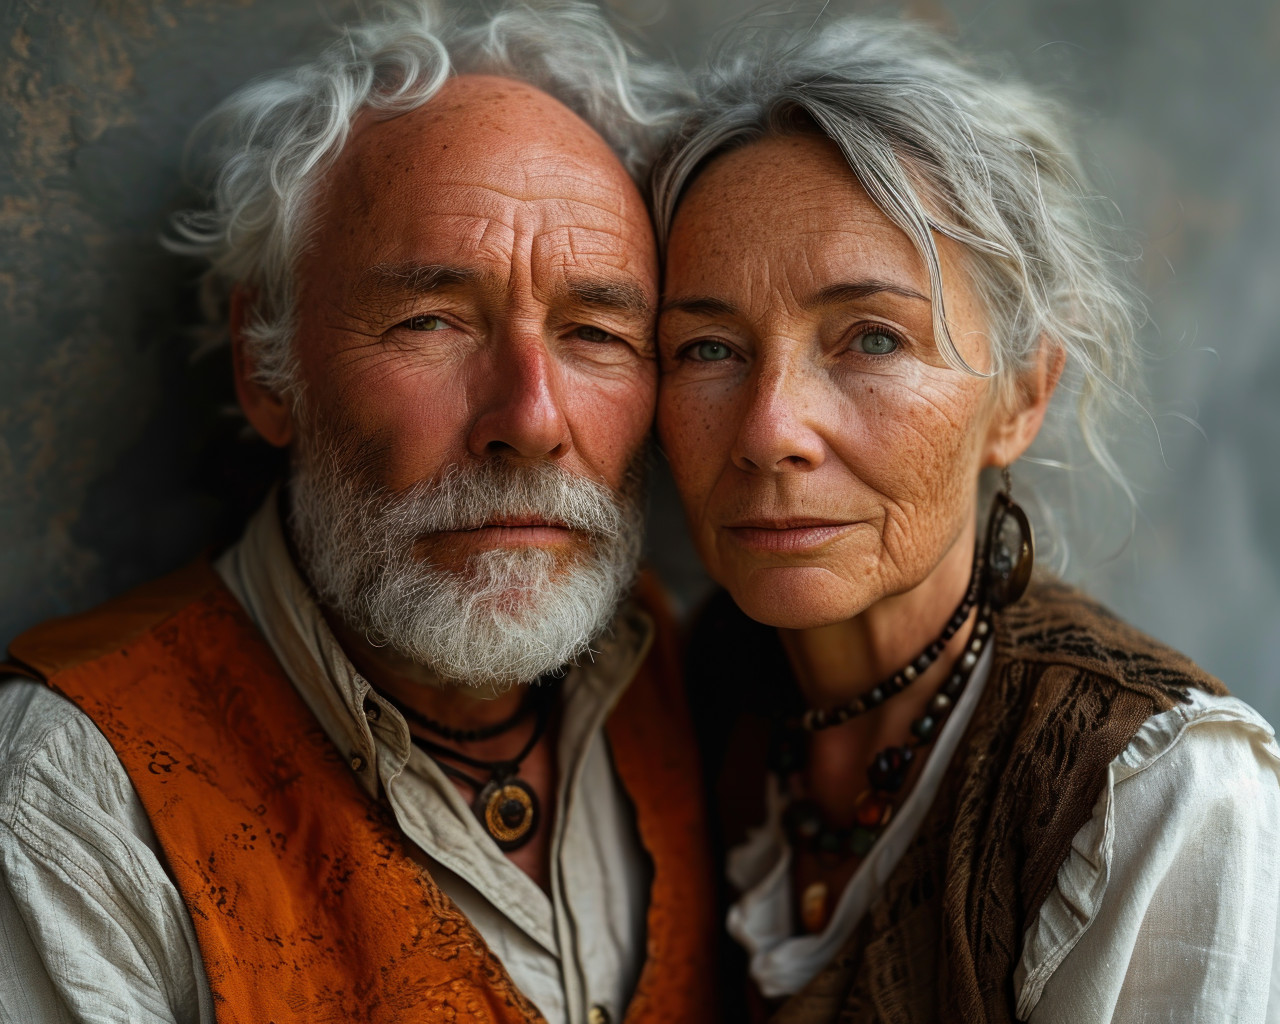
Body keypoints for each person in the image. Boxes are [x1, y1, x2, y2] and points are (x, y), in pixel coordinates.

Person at [0, 4, 717, 1022]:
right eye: (429, 320)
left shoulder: (691, 673)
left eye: (595, 331)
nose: (530, 418)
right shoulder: (71, 797)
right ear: (267, 364)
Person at [651, 14, 1280, 1023]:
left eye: (870, 337)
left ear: (1021, 397)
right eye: (705, 349)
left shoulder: (1156, 797)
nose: (770, 430)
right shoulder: (688, 691)